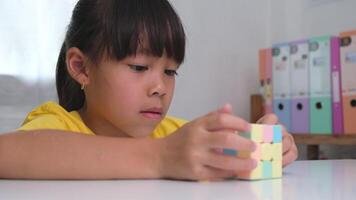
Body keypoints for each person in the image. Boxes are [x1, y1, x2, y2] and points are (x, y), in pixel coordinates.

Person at [0, 0, 297, 180]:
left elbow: (218, 154)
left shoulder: (172, 134)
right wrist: (161, 157)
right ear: (81, 68)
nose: (160, 87)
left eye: (170, 71)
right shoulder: (58, 125)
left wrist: (262, 146)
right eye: (139, 67)